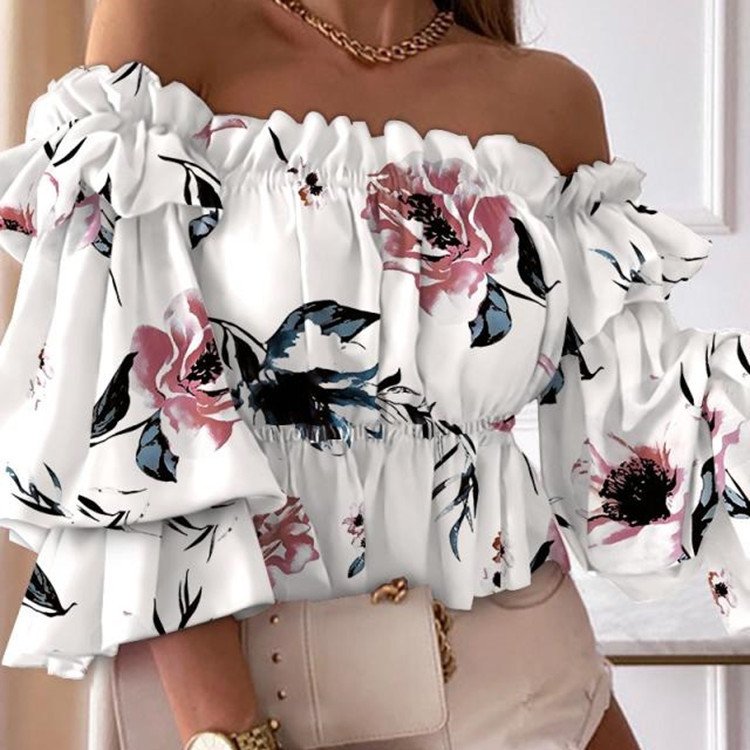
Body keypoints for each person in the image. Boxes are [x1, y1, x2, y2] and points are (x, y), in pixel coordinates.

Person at [1, 1, 748, 748]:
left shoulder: (552, 101)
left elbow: (639, 438)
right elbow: (125, 427)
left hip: (523, 686)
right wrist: (229, 733)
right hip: (249, 692)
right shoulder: (164, 30)